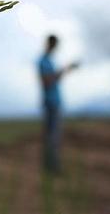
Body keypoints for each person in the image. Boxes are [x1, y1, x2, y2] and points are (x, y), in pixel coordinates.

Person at [38, 35, 78, 174]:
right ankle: (52, 167)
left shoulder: (49, 61)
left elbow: (54, 79)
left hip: (53, 102)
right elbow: (47, 81)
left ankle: (50, 166)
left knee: (52, 136)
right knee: (53, 136)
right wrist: (62, 70)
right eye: (54, 44)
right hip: (51, 102)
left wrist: (67, 70)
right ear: (49, 44)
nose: (55, 48)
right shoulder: (43, 61)